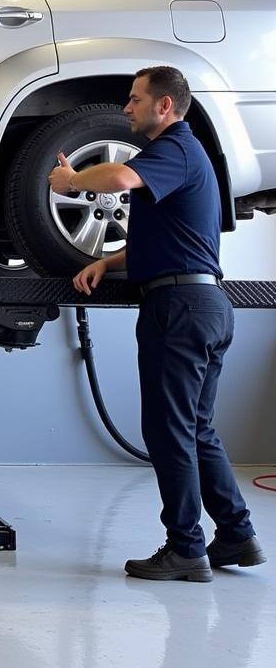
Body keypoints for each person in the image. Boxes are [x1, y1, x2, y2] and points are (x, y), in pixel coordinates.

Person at [48, 65, 265, 582]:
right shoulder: (189, 159)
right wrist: (112, 260)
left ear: (164, 106)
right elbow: (178, 238)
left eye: (134, 98)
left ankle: (186, 548)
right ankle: (236, 534)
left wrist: (73, 180)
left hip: (179, 310)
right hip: (204, 303)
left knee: (169, 431)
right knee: (197, 429)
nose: (126, 108)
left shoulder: (173, 149)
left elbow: (120, 178)